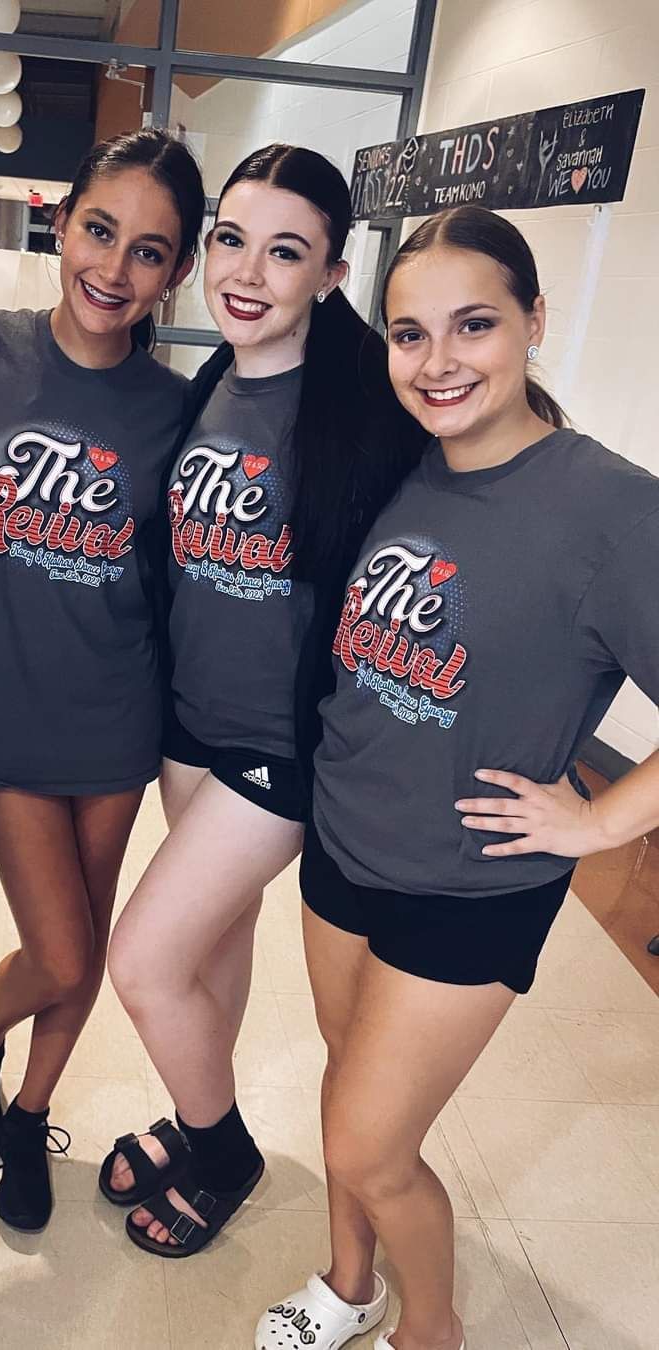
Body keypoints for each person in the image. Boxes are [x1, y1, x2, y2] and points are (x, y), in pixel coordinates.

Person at [256, 204, 659, 1350]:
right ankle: (348, 1283)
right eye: (407, 333)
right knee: (348, 1095)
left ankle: (428, 1331)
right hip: (346, 845)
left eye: (472, 325)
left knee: (367, 1146)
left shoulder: (615, 510)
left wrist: (599, 826)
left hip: (473, 886)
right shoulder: (399, 468)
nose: (437, 363)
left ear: (535, 321)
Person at [100, 144, 423, 1257]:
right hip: (187, 727)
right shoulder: (214, 382)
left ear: (331, 274)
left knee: (142, 959)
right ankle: (201, 1118)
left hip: (280, 751)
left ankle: (220, 1144)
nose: (246, 271)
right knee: (211, 948)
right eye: (231, 240)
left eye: (285, 252)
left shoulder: (369, 413)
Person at [0, 128, 205, 1234]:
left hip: (115, 714)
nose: (113, 267)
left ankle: (27, 1115)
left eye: (148, 251)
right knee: (64, 947)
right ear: (61, 220)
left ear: (176, 272)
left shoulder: (177, 412)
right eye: (99, 230)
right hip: (0, 709)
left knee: (78, 938)